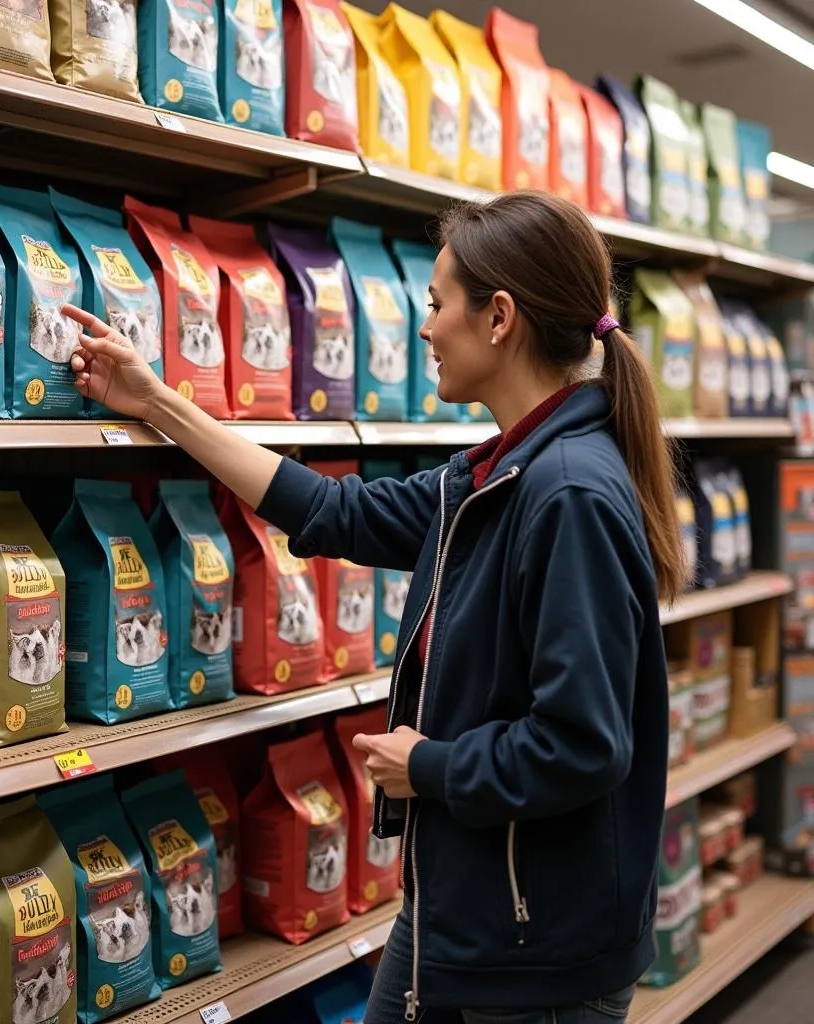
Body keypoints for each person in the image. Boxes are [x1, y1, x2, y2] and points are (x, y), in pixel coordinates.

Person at [63, 190, 683, 1024]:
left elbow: (582, 744)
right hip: (469, 906)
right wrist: (160, 404)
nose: (423, 328)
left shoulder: (567, 493)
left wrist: (427, 766)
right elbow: (332, 513)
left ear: (499, 318)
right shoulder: (493, 474)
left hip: (536, 953)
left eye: (436, 305)